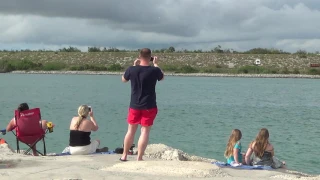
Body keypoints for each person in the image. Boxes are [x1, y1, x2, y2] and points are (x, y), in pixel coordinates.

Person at [120, 48, 164, 161]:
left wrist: (134, 66)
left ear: (139, 57)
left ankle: (124, 155)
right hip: (149, 105)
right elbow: (162, 77)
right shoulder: (154, 70)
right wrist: (156, 64)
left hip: (134, 105)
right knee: (144, 131)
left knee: (130, 130)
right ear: (150, 57)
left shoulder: (132, 69)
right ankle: (139, 157)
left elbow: (123, 80)